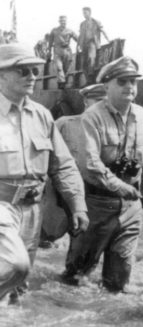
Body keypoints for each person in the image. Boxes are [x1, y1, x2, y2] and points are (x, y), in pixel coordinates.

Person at [0, 44, 88, 304]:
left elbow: (63, 165)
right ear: (1, 75)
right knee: (15, 266)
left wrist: (77, 205)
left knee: (18, 288)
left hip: (32, 209)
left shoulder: (41, 115)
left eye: (34, 70)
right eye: (22, 70)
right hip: (2, 205)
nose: (32, 76)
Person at [62, 56, 143, 292]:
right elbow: (90, 165)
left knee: (119, 282)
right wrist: (123, 188)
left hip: (131, 207)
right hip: (97, 204)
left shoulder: (142, 115)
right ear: (107, 86)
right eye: (122, 81)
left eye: (133, 81)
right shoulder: (93, 116)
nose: (130, 87)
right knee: (77, 278)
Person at [39, 84, 107, 249]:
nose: (102, 106)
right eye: (97, 101)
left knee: (83, 245)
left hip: (93, 197)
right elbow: (46, 159)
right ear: (85, 101)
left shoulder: (110, 129)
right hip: (61, 194)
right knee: (47, 238)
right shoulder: (64, 123)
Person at [78, 6, 109, 82]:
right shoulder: (82, 24)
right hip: (84, 45)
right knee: (83, 64)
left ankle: (91, 76)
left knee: (91, 58)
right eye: (83, 13)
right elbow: (80, 36)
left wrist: (108, 39)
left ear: (89, 12)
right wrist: (78, 45)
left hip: (92, 43)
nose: (84, 14)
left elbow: (102, 30)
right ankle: (88, 80)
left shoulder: (96, 22)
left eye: (85, 13)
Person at [48, 15, 79, 89]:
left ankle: (62, 83)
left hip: (67, 51)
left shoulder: (70, 31)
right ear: (59, 22)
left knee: (66, 69)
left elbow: (78, 39)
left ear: (66, 22)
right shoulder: (54, 30)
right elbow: (50, 42)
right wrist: (49, 52)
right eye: (62, 21)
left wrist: (79, 46)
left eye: (64, 21)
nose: (63, 22)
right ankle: (61, 83)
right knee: (59, 67)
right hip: (57, 51)